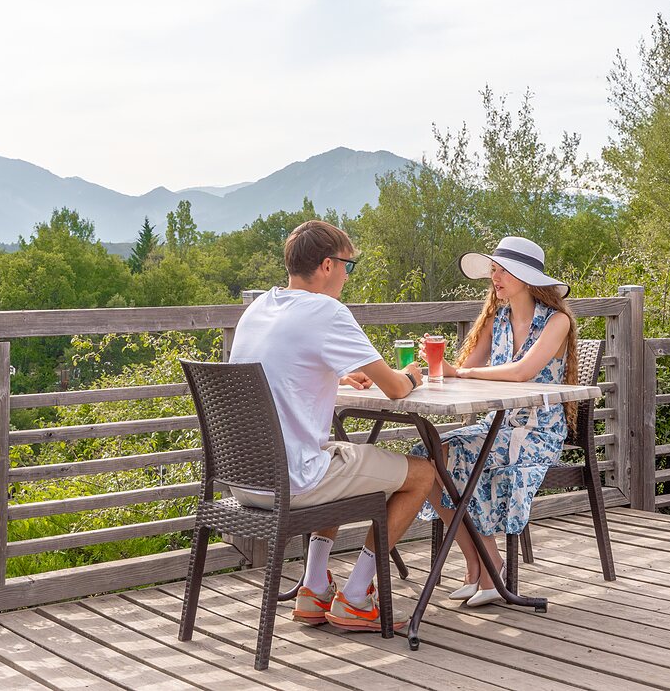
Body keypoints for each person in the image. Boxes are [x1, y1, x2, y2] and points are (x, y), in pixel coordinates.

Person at [228, 219, 436, 632]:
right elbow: (395, 389)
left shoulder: (260, 306)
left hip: (244, 481)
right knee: (423, 474)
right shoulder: (325, 310)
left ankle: (313, 587)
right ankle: (357, 596)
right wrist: (413, 374)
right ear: (327, 265)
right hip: (293, 483)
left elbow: (279, 370)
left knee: (333, 454)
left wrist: (336, 377)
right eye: (347, 266)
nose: (346, 275)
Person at [413, 235, 578, 607]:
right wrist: (438, 363)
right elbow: (464, 370)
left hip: (538, 432)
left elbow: (522, 373)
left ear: (527, 278)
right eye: (494, 271)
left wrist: (465, 374)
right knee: (426, 455)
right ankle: (478, 564)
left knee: (465, 459)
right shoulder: (497, 318)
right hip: (497, 427)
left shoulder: (557, 322)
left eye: (504, 271)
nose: (496, 278)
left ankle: (490, 568)